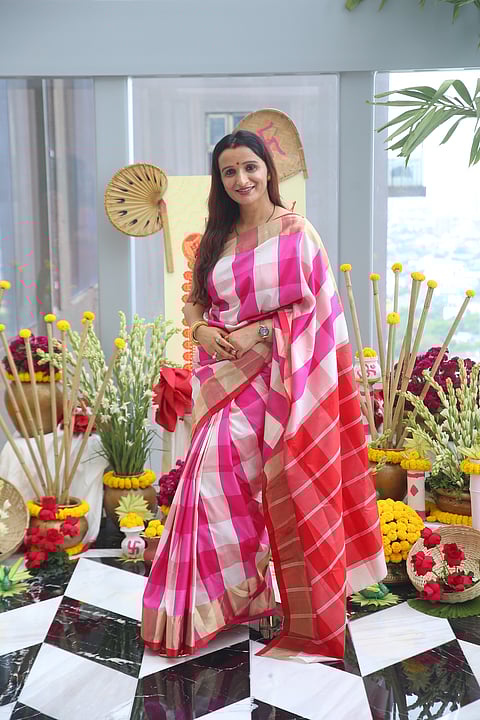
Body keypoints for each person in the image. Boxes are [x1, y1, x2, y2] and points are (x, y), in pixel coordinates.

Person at [142, 129, 386, 661]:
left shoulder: (297, 232)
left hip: (283, 384)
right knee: (213, 486)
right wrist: (201, 330)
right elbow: (196, 300)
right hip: (223, 378)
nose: (241, 179)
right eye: (229, 171)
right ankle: (220, 602)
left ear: (268, 171)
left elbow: (319, 312)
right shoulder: (218, 235)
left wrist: (263, 330)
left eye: (250, 167)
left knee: (275, 484)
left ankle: (279, 598)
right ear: (220, 180)